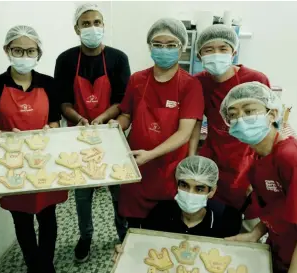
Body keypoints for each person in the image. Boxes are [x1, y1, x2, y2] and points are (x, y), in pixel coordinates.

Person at [221, 82, 297, 273]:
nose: (240, 119)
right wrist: (255, 234)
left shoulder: (294, 160)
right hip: (280, 251)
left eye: (249, 111)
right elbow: (276, 209)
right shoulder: (259, 156)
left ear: (272, 114)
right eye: (233, 115)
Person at [0, 25, 65, 273]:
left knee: (48, 216)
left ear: (38, 53)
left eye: (30, 51)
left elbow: (54, 121)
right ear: (7, 50)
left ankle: (46, 265)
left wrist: (50, 130)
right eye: (18, 50)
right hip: (12, 165)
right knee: (21, 218)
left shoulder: (49, 84)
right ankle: (33, 265)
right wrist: (1, 137)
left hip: (44, 162)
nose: (24, 55)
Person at [54, 3, 130, 262]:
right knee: (82, 194)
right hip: (78, 135)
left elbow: (123, 101)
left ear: (104, 26)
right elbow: (62, 102)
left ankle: (124, 234)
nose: (92, 28)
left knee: (118, 191)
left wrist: (101, 119)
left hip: (111, 134)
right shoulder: (65, 60)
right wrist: (81, 119)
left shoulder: (118, 58)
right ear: (76, 28)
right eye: (86, 24)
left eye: (97, 22)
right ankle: (85, 237)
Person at [113, 18, 204, 229]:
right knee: (133, 227)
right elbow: (127, 114)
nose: (164, 50)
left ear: (182, 48)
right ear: (150, 47)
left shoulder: (190, 85)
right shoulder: (137, 80)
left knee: (164, 227)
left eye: (171, 45)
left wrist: (151, 154)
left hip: (169, 171)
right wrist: (117, 126)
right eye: (158, 44)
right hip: (136, 166)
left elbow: (184, 133)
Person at [193, 24, 271, 228]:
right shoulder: (199, 82)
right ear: (199, 55)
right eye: (208, 50)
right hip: (215, 158)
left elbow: (269, 127)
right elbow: (194, 123)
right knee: (217, 221)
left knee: (251, 224)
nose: (216, 54)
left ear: (234, 52)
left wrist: (264, 170)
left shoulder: (255, 80)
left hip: (248, 161)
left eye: (223, 49)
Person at [144, 155, 241, 238]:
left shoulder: (227, 221)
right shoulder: (160, 213)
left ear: (211, 191)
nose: (190, 194)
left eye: (199, 189)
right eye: (184, 186)